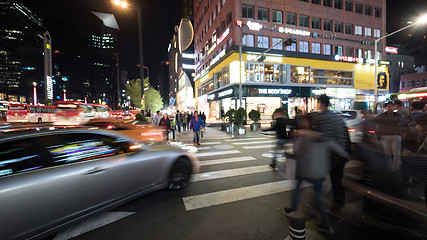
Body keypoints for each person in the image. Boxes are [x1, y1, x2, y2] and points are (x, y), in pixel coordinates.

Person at [284, 114, 349, 235]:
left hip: (303, 170)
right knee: (319, 198)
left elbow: (297, 152)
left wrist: (291, 154)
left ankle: (292, 211)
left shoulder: (303, 137)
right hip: (319, 173)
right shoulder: (325, 137)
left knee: (297, 190)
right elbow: (340, 151)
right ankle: (325, 224)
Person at [311, 94, 350, 217]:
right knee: (336, 180)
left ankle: (321, 204)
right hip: (342, 153)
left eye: (318, 103)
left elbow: (323, 137)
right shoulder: (337, 117)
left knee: (321, 178)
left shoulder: (323, 118)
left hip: (334, 154)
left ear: (321, 103)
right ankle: (338, 206)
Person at [375, 101, 402, 171]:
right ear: (385, 108)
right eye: (389, 106)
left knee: (397, 153)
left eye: (392, 106)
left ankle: (395, 169)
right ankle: (389, 168)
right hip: (385, 136)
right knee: (387, 153)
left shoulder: (398, 116)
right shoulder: (380, 117)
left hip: (396, 136)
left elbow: (402, 126)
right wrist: (379, 136)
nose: (390, 108)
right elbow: (377, 127)